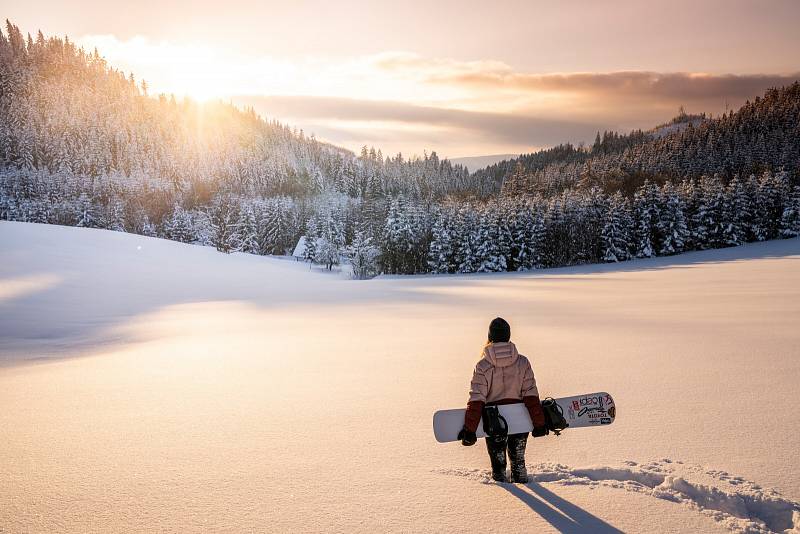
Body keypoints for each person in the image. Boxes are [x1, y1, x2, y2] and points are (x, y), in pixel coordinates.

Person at [457, 317, 548, 483]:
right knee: (518, 462)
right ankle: (519, 480)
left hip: (494, 422)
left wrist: (469, 430)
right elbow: (531, 395)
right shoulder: (522, 362)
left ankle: (503, 493)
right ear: (508, 336)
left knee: (498, 466)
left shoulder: (483, 365)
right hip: (520, 419)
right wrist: (539, 423)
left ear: (490, 337)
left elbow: (477, 400)